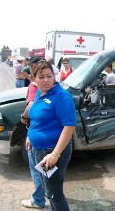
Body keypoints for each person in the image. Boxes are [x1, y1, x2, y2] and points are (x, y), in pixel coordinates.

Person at [27, 61, 76, 211]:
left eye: (49, 76)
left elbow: (69, 127)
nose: (46, 80)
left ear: (54, 77)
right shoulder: (39, 92)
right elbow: (37, 118)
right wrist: (30, 136)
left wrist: (55, 154)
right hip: (39, 149)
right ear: (34, 78)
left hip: (52, 152)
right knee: (47, 189)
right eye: (41, 77)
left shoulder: (62, 96)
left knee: (54, 193)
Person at [21, 56, 46, 209]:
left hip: (38, 136)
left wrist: (23, 117)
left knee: (37, 168)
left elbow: (30, 106)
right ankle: (49, 191)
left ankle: (38, 200)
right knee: (44, 168)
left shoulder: (34, 86)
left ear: (32, 68)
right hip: (48, 136)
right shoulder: (53, 88)